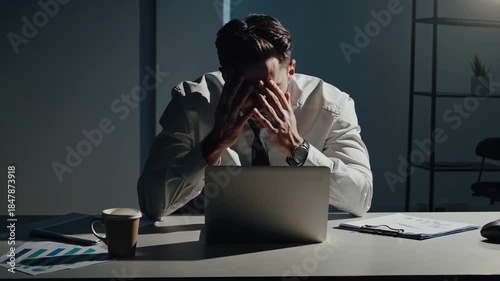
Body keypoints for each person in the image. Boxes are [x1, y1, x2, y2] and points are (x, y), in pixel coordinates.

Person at [137, 14, 373, 221]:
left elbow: (360, 199)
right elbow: (152, 205)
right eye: (245, 87)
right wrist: (213, 145)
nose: (258, 100)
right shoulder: (192, 103)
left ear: (290, 70)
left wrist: (298, 148)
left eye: (269, 87)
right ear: (225, 75)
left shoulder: (330, 106)